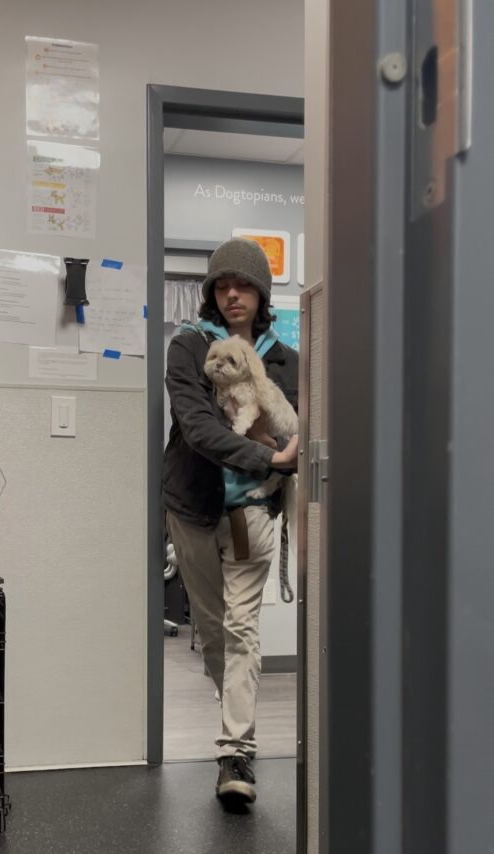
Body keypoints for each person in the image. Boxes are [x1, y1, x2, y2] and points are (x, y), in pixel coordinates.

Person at [163, 237, 299, 805]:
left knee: (243, 630)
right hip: (192, 508)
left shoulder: (285, 359)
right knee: (214, 632)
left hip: (252, 515)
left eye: (242, 284)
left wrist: (276, 460)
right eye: (222, 285)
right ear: (211, 294)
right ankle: (234, 720)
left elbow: (293, 432)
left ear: (262, 291)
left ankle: (235, 753)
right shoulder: (189, 347)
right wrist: (267, 456)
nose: (232, 293)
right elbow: (196, 427)